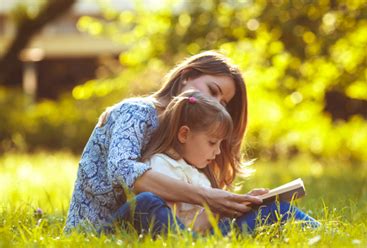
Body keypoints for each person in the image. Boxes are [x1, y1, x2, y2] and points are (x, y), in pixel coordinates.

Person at [64, 51, 264, 233]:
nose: (214, 103)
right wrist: (206, 196)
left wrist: (238, 205)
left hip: (171, 230)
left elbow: (189, 214)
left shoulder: (194, 137)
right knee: (147, 203)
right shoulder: (135, 111)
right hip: (104, 231)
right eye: (212, 91)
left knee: (269, 210)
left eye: (223, 103)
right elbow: (122, 171)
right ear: (186, 76)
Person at [110, 90, 319, 236]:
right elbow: (180, 229)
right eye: (212, 142)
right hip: (194, 239)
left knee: (277, 208)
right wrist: (219, 210)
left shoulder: (198, 172)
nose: (217, 151)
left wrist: (242, 204)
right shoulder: (161, 168)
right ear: (184, 134)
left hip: (219, 235)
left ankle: (326, 234)